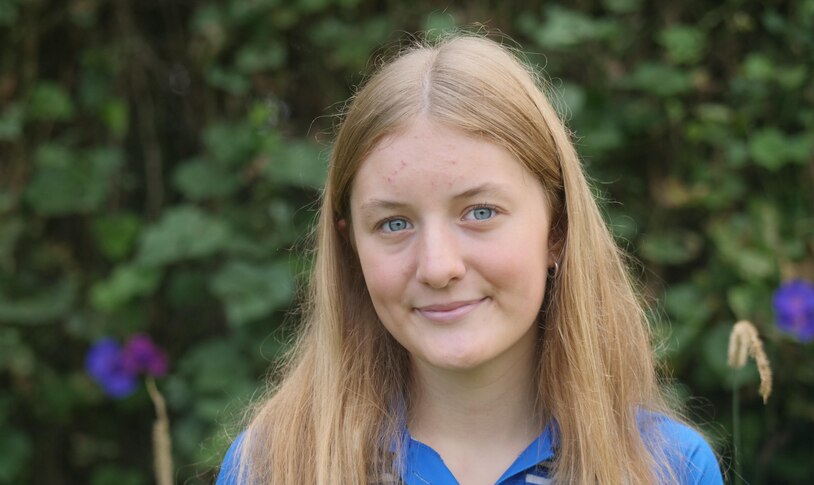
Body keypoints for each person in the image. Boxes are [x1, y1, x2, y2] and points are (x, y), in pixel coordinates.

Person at [216, 34, 723, 485]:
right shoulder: (272, 467)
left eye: (480, 212)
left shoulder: (666, 468)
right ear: (351, 250)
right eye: (394, 223)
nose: (438, 267)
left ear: (558, 231)